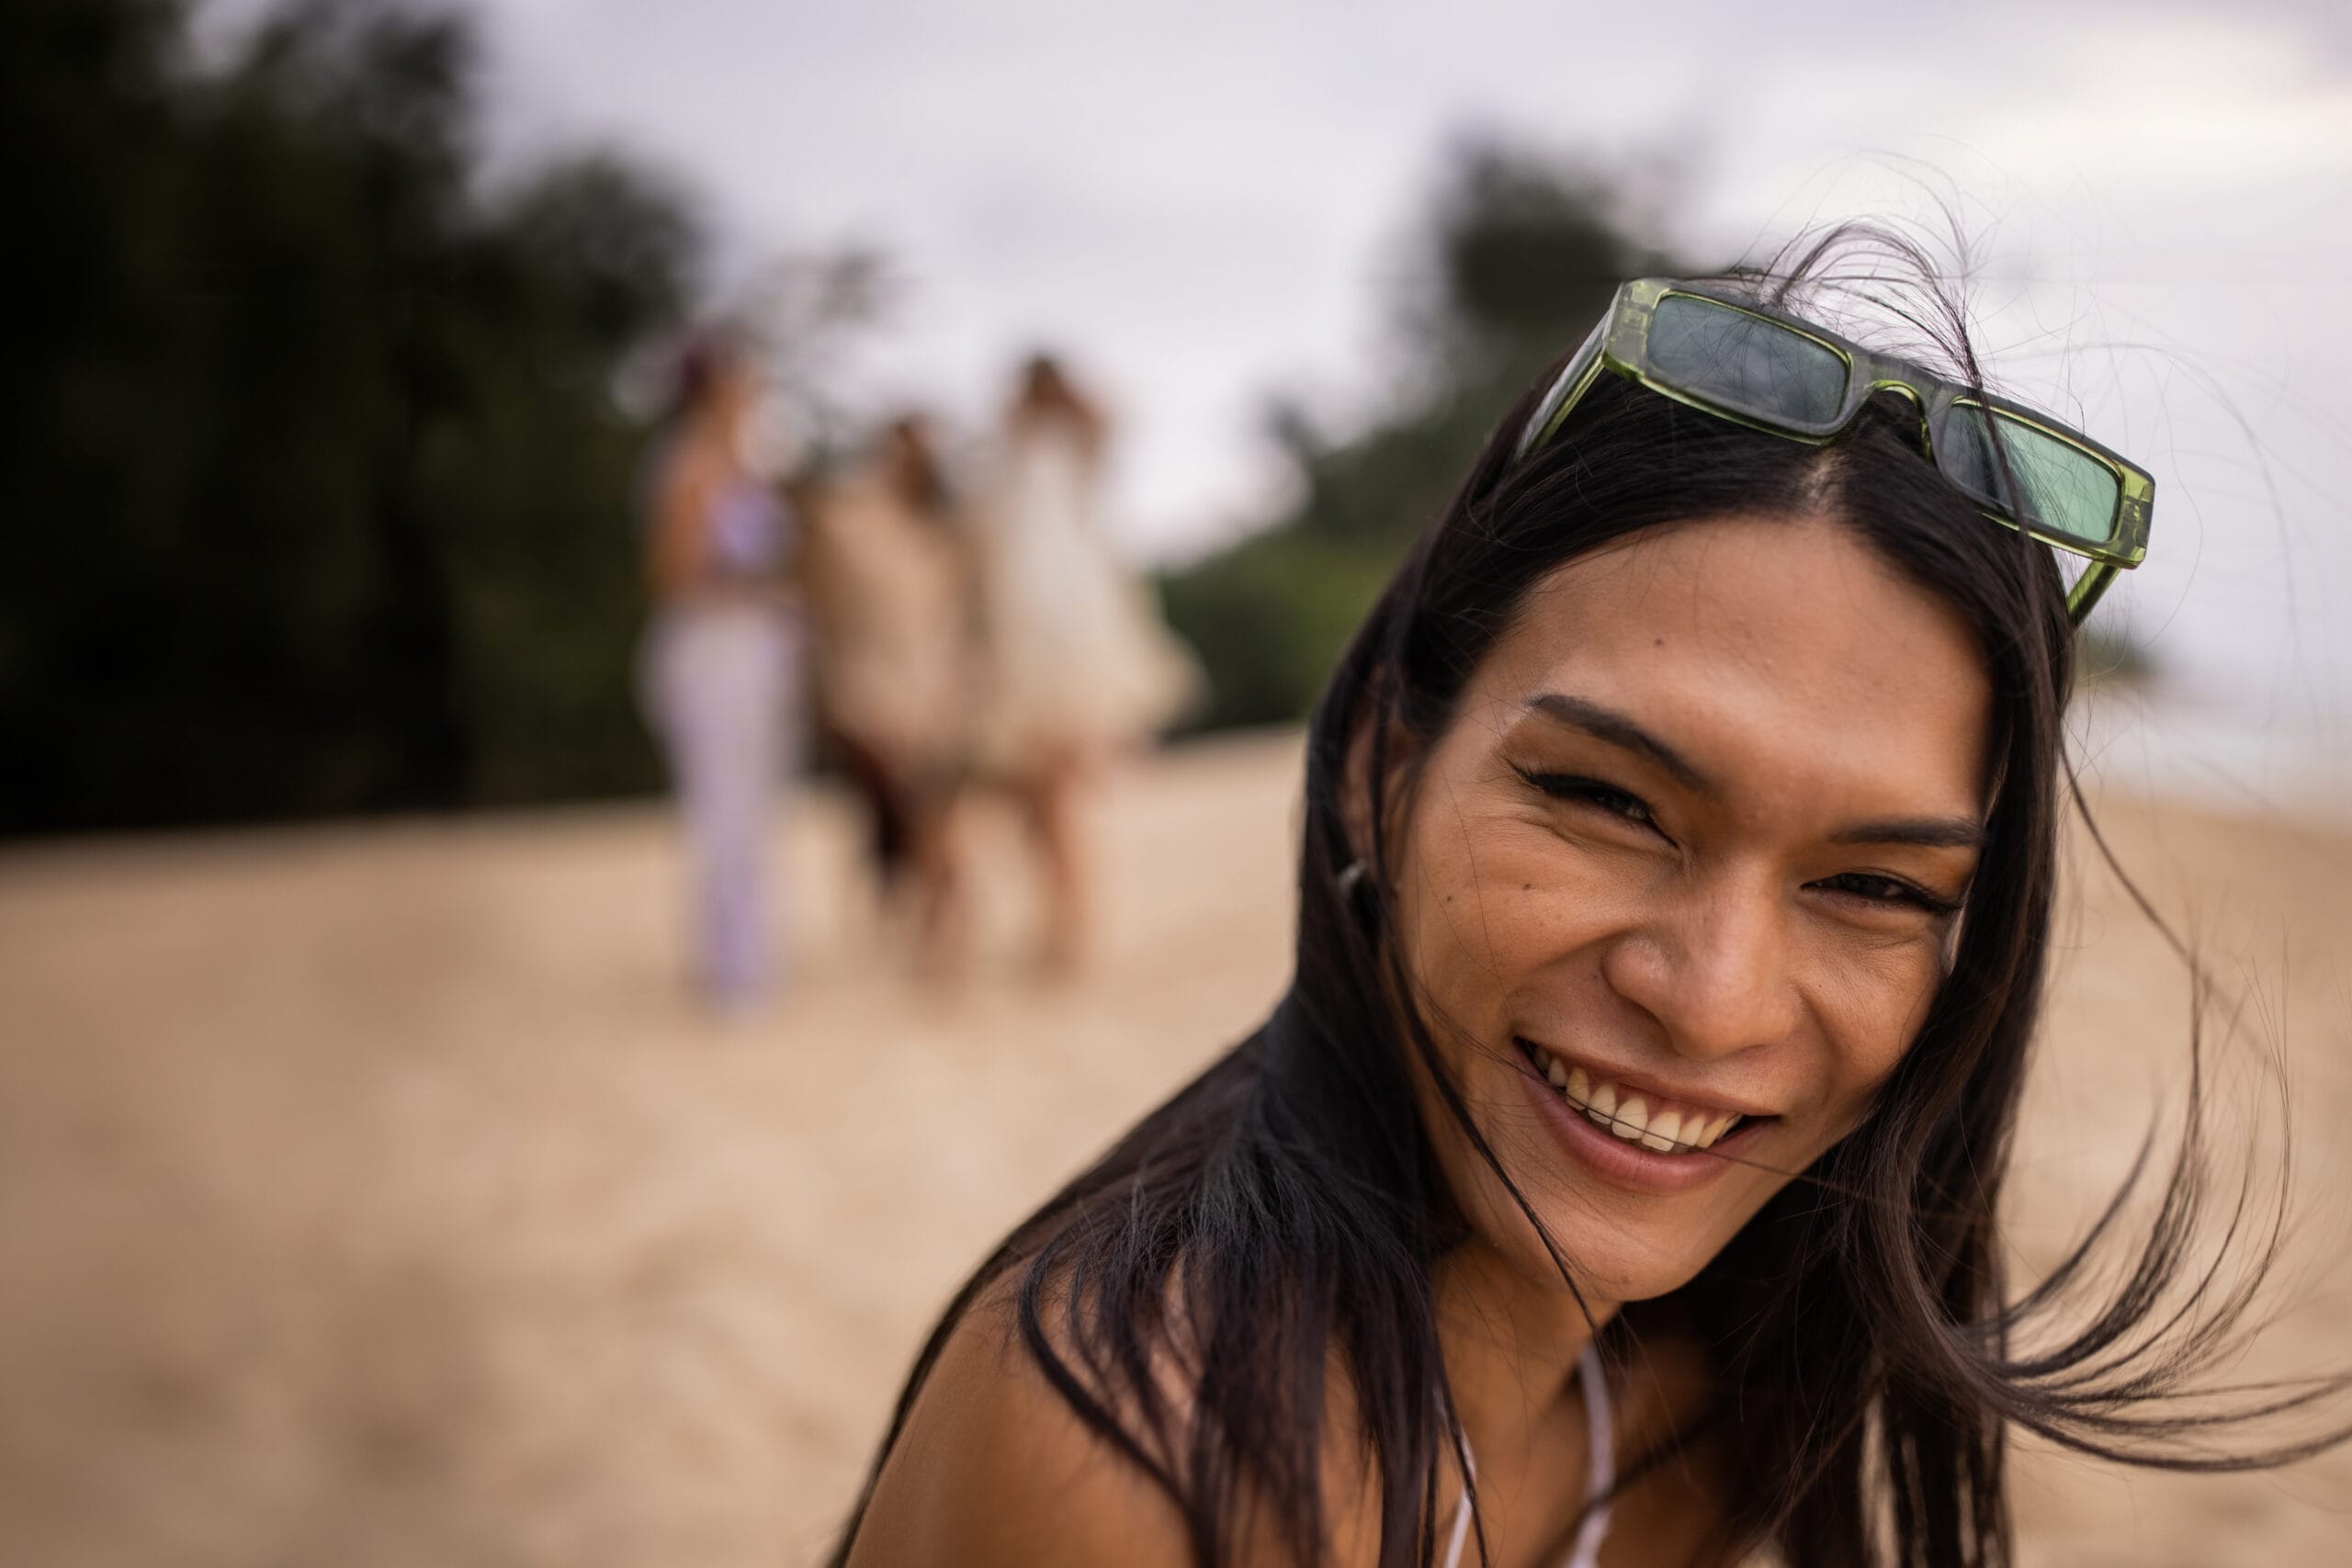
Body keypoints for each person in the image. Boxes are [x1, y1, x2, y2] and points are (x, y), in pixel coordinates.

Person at [826, 245, 2346, 1567]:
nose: (1715, 997)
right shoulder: (1150, 1461)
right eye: (1612, 802)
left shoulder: (1717, 1389)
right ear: (1380, 767)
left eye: (1876, 884)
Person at [968, 354, 1202, 976]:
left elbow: (1114, 417)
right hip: (1032, 642)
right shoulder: (1017, 460)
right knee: (1040, 795)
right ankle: (1062, 922)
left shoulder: (1061, 454)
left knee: (1053, 792)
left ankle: (1067, 929)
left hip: (1056, 643)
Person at [637, 337, 799, 1010]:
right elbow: (672, 576)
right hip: (715, 649)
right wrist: (751, 586)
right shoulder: (687, 467)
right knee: (724, 812)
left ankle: (750, 960)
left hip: (758, 646)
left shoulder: (745, 466)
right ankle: (732, 974)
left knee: (756, 810)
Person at [805, 413, 978, 980]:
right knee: (905, 819)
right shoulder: (851, 520)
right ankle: (933, 933)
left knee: (937, 820)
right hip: (878, 693)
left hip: (943, 690)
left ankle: (941, 938)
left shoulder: (953, 526)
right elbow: (829, 611)